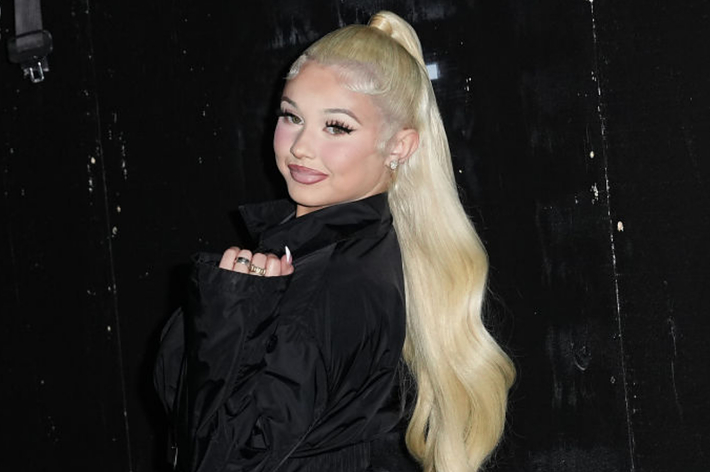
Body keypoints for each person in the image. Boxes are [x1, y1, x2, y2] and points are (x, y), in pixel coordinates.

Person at [154, 11, 515, 472]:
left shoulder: (341, 282)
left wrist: (233, 310)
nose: (301, 146)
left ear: (399, 146)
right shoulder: (326, 253)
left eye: (337, 127)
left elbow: (224, 461)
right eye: (291, 117)